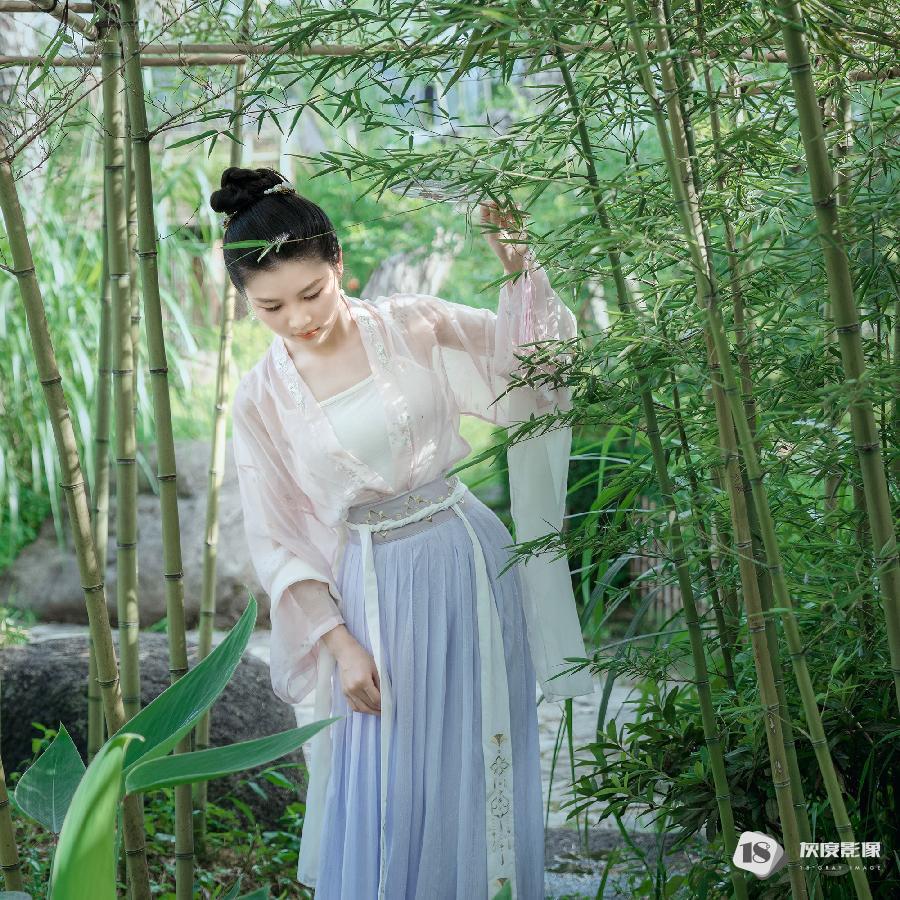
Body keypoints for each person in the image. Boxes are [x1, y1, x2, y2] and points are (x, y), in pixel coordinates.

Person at [210, 166, 593, 899]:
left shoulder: (413, 325)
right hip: (371, 590)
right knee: (385, 774)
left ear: (338, 263)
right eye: (271, 307)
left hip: (468, 562)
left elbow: (536, 374)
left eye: (311, 293)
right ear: (247, 302)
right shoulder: (262, 397)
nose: (298, 318)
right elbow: (278, 537)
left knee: (481, 753)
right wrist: (339, 643)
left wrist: (520, 272)